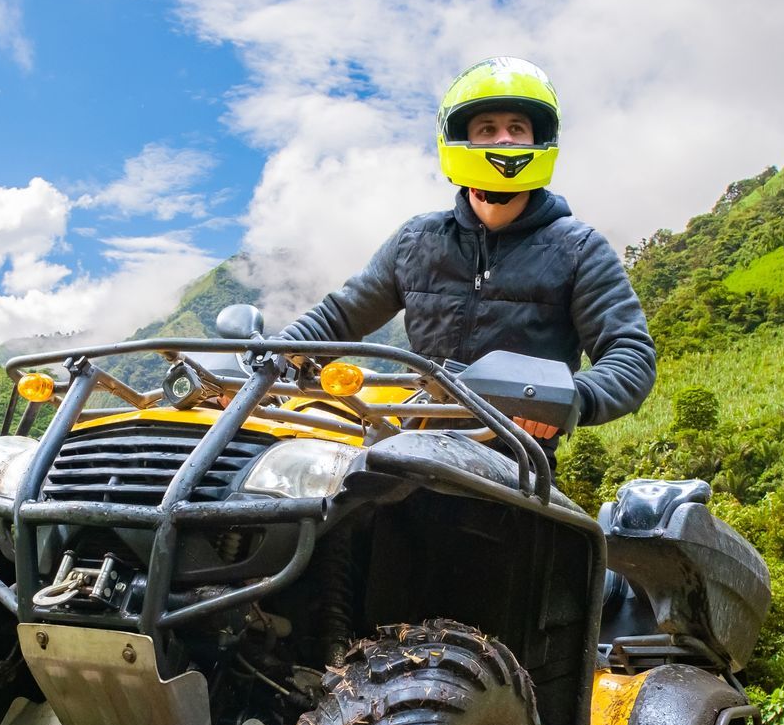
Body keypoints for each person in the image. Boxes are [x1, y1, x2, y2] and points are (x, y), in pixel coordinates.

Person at [280, 57, 656, 441]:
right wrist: (274, 358)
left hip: (513, 456)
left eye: (517, 128)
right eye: (487, 129)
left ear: (538, 138)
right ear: (460, 139)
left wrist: (569, 397)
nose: (504, 140)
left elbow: (630, 355)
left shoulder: (579, 249)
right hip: (409, 443)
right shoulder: (416, 240)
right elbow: (338, 317)